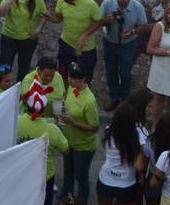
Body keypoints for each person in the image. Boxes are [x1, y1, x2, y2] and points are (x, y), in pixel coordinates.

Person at [17, 85, 69, 205]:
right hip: (45, 177)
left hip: (21, 173)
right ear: (44, 108)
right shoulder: (52, 130)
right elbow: (66, 150)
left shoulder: (16, 123)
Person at [98, 0, 147, 110]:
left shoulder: (137, 7)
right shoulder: (107, 4)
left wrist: (132, 32)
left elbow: (143, 26)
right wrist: (107, 21)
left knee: (125, 73)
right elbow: (98, 21)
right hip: (110, 42)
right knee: (111, 71)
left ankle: (125, 99)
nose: (125, 0)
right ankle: (114, 97)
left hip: (128, 44)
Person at [60, 63, 99, 205]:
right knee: (68, 171)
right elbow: (68, 101)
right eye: (70, 77)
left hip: (84, 146)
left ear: (84, 79)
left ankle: (82, 200)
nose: (70, 81)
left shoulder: (89, 101)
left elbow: (94, 128)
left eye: (75, 79)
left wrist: (72, 122)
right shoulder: (71, 88)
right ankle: (66, 197)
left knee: (81, 176)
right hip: (69, 141)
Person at [0, 0, 47, 81]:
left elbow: (44, 14)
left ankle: (20, 91)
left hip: (27, 39)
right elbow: (2, 11)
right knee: (4, 66)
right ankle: (2, 90)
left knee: (24, 68)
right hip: (9, 35)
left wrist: (37, 30)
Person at [49, 0, 101, 79]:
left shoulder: (90, 4)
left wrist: (85, 34)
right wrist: (49, 17)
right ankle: (65, 94)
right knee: (63, 75)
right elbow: (59, 18)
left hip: (85, 48)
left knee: (84, 78)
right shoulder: (61, 1)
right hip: (66, 44)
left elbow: (99, 21)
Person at [97, 101, 147, 205]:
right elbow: (139, 166)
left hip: (105, 179)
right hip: (126, 183)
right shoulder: (135, 137)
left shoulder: (107, 132)